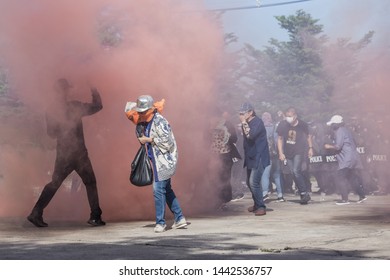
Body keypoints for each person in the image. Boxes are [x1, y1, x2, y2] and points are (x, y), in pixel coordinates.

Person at [27, 78, 105, 227]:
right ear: (66, 91)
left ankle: (36, 213)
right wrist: (93, 88)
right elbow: (98, 106)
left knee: (55, 183)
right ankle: (95, 216)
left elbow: (51, 134)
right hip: (79, 153)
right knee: (90, 182)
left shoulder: (51, 110)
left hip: (63, 153)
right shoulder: (74, 106)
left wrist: (62, 129)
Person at [125, 95, 187, 233]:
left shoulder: (160, 121)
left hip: (164, 162)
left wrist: (148, 139)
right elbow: (129, 111)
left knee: (158, 190)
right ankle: (179, 218)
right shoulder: (146, 122)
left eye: (142, 111)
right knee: (167, 190)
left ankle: (161, 223)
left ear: (150, 110)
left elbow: (167, 142)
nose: (140, 114)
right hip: (157, 162)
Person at [324, 115, 367, 205]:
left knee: (340, 177)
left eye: (332, 124)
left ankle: (345, 199)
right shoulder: (346, 130)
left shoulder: (339, 131)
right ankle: (362, 195)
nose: (331, 126)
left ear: (337, 124)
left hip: (346, 158)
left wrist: (328, 146)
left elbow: (338, 146)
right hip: (352, 157)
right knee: (351, 178)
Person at [276, 107, 313, 204]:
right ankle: (303, 193)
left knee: (296, 171)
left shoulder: (302, 124)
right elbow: (279, 139)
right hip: (288, 152)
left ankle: (304, 193)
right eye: (287, 116)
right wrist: (281, 152)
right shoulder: (282, 124)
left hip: (299, 151)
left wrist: (310, 148)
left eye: (290, 116)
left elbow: (309, 136)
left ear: (295, 116)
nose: (288, 118)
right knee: (293, 173)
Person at [239, 102, 270, 216]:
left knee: (254, 182)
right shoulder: (246, 123)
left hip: (259, 156)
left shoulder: (257, 122)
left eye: (243, 113)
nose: (241, 115)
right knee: (249, 182)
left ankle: (261, 206)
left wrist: (243, 123)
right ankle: (257, 204)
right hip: (251, 156)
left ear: (250, 112)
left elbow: (251, 136)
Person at [210, 110, 242, 209]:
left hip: (225, 155)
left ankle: (223, 200)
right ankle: (215, 199)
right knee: (215, 178)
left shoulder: (227, 124)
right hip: (213, 156)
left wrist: (227, 135)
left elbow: (234, 138)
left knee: (224, 178)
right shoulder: (209, 124)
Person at [261, 112, 285, 202]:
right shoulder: (275, 127)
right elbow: (279, 141)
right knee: (277, 175)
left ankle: (264, 194)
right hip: (276, 154)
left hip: (266, 155)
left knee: (265, 175)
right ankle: (280, 195)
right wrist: (280, 153)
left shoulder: (261, 128)